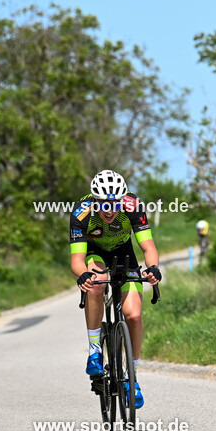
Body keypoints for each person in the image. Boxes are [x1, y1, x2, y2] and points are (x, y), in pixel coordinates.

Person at [71, 169, 161, 409]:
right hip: (95, 252)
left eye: (114, 203)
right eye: (103, 204)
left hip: (124, 253)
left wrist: (153, 268)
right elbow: (76, 260)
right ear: (95, 201)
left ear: (122, 200)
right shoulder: (83, 212)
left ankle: (133, 377)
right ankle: (94, 351)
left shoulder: (133, 206)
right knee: (97, 284)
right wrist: (84, 275)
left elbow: (148, 247)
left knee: (134, 315)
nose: (109, 210)